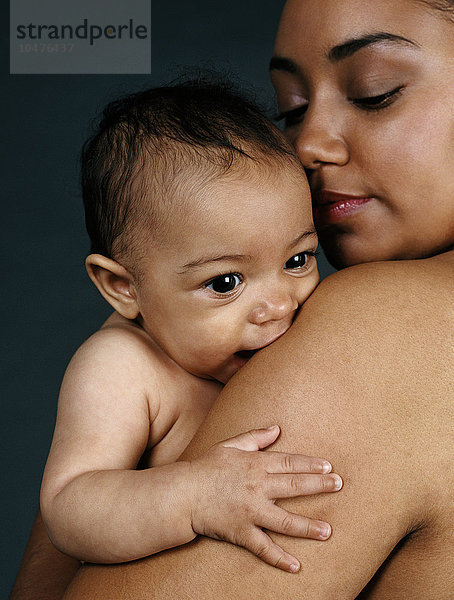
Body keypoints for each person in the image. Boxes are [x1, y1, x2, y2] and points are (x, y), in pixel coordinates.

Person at [11, 0, 454, 598]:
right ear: (121, 286)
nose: (307, 146)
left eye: (375, 92)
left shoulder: (381, 326)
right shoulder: (135, 360)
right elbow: (72, 509)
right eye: (291, 109)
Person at [39, 80, 343, 575]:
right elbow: (69, 507)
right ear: (123, 287)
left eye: (297, 259)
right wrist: (195, 496)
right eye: (225, 282)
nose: (277, 305)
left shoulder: (304, 323)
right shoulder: (125, 366)